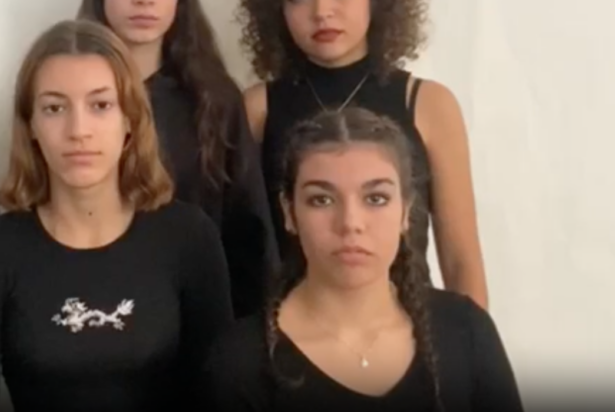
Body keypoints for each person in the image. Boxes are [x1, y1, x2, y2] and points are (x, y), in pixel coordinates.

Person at [0, 19, 234, 412]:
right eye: (54, 108)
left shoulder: (189, 237)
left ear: (130, 119)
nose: (78, 130)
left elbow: (219, 393)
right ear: (31, 125)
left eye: (100, 105)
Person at [237, 0, 488, 308]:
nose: (322, 10)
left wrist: (473, 341)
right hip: (290, 333)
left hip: (412, 331)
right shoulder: (256, 109)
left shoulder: (429, 104)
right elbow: (238, 250)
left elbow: (461, 261)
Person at [202, 108, 523, 412]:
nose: (350, 223)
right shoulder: (240, 362)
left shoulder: (465, 331)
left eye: (376, 198)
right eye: (321, 199)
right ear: (289, 213)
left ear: (405, 212)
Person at [78, 0, 276, 318]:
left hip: (196, 314)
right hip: (91, 307)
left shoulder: (214, 99)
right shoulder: (68, 93)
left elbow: (249, 231)